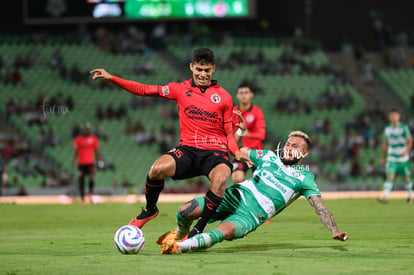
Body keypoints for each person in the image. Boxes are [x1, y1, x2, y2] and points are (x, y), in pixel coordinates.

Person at [90, 47, 243, 237]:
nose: (203, 74)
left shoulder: (225, 97)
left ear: (213, 69)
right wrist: (113, 78)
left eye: (206, 70)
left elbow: (229, 133)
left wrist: (236, 152)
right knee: (156, 169)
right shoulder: (179, 89)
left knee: (221, 179)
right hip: (188, 149)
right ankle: (150, 210)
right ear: (191, 67)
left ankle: (197, 230)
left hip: (215, 152)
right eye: (199, 70)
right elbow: (145, 90)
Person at [157, 130, 349, 254]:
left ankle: (178, 247)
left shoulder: (305, 178)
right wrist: (239, 132)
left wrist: (335, 230)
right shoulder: (268, 156)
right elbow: (237, 151)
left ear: (304, 153)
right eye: (288, 144)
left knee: (224, 232)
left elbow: (319, 207)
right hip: (233, 196)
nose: (289, 148)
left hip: (251, 215)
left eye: (295, 146)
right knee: (184, 211)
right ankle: (180, 233)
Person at [232, 83, 266, 184]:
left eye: (246, 92)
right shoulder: (232, 112)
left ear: (251, 94)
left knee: (260, 182)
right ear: (237, 96)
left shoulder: (257, 112)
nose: (244, 95)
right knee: (237, 178)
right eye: (241, 93)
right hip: (241, 152)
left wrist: (246, 133)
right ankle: (244, 196)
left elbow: (262, 135)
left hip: (256, 153)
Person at [379, 109, 413, 203]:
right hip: (391, 157)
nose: (393, 117)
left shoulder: (404, 128)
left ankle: (410, 195)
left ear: (399, 116)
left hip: (402, 158)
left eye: (395, 115)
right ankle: (385, 197)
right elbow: (385, 144)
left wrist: (406, 151)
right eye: (391, 115)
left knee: (406, 177)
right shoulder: (387, 129)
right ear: (389, 117)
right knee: (390, 176)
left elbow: (410, 141)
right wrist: (383, 157)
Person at [72, 123, 100, 206]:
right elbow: (75, 152)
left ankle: (90, 193)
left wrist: (97, 162)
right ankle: (83, 199)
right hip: (81, 163)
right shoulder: (78, 139)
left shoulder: (93, 139)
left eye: (86, 128)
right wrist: (73, 162)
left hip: (90, 163)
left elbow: (96, 151)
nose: (85, 130)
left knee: (91, 178)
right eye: (84, 128)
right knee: (81, 181)